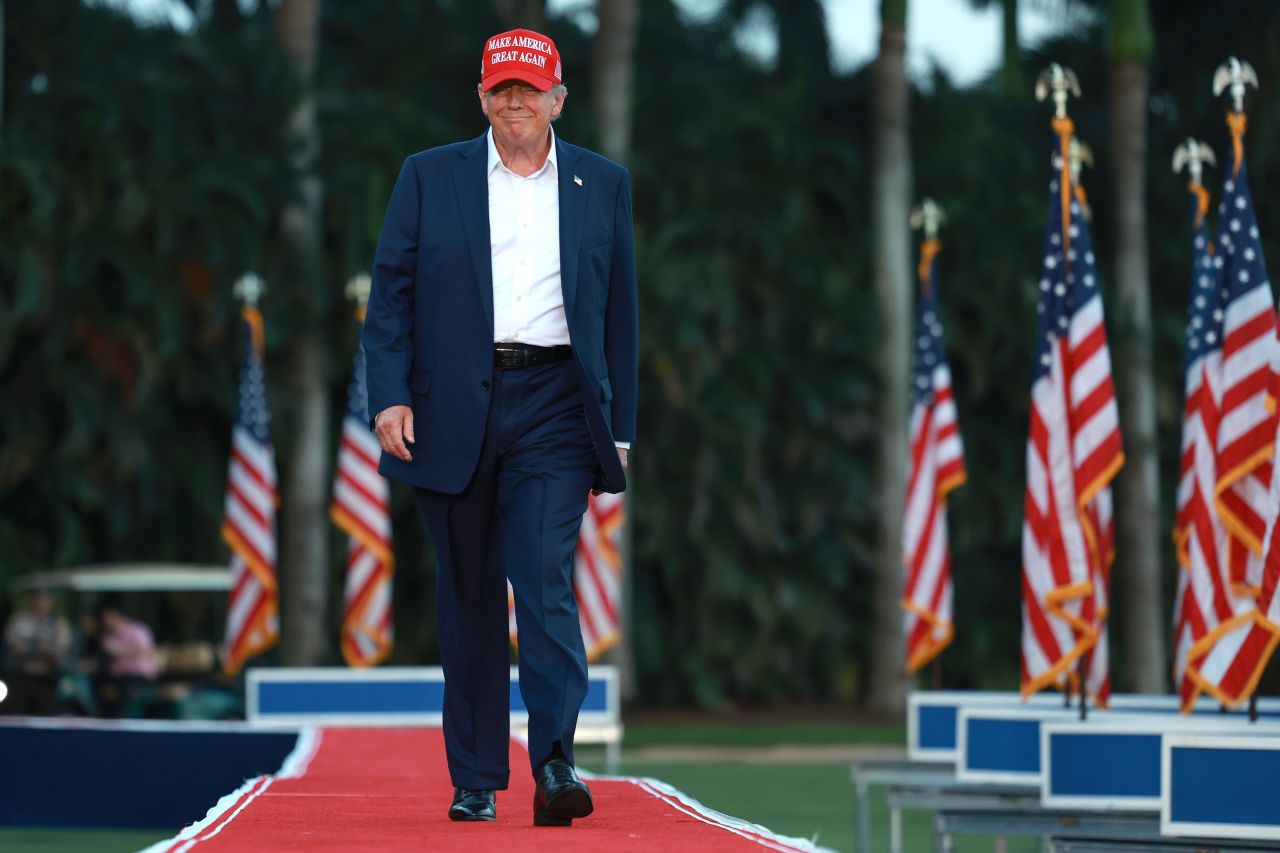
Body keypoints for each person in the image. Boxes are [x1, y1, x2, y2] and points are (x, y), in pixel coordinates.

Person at [362, 27, 637, 826]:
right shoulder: (427, 176)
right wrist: (389, 395)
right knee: (470, 594)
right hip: (450, 410)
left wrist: (617, 426)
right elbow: (391, 297)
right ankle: (476, 775)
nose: (515, 101)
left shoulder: (603, 183)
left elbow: (619, 311)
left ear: (558, 98)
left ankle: (555, 761)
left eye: (530, 88)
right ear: (481, 96)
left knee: (544, 584)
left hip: (555, 403)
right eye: (501, 88)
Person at [3, 587, 71, 715]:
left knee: (45, 720)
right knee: (18, 717)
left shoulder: (58, 624)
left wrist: (31, 651)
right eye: (38, 599)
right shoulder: (19, 620)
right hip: (21, 678)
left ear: (51, 601)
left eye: (44, 599)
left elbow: (58, 652)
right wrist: (43, 650)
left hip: (46, 680)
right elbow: (15, 648)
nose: (41, 603)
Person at [93, 601, 158, 718]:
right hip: (116, 676)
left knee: (125, 688)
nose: (106, 621)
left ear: (117, 616)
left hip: (138, 675)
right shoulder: (108, 636)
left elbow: (144, 651)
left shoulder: (137, 630)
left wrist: (119, 651)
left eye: (108, 617)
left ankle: (124, 720)